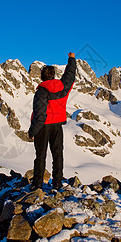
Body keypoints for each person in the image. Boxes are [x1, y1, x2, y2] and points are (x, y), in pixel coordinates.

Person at [28, 52, 77, 190]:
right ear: (53, 75)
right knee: (58, 155)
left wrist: (32, 131)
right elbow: (70, 75)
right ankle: (57, 184)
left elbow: (40, 114)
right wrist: (72, 59)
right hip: (57, 126)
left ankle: (37, 185)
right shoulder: (63, 86)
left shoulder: (42, 91)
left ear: (42, 76)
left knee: (40, 156)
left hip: (43, 127)